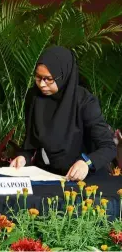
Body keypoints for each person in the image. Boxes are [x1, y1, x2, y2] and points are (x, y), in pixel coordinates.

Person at [10, 46, 116, 181]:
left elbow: (108, 147)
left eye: (48, 79)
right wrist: (23, 158)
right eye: (38, 77)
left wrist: (87, 163)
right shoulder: (34, 97)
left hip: (84, 178)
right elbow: (31, 143)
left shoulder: (84, 101)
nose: (42, 84)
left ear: (64, 76)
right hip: (47, 176)